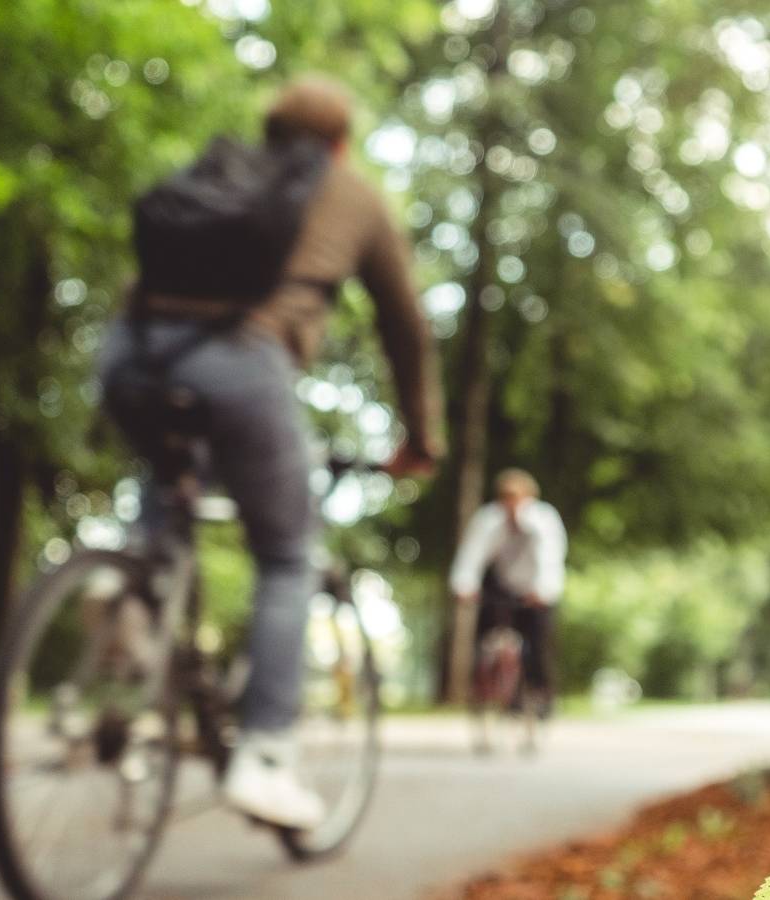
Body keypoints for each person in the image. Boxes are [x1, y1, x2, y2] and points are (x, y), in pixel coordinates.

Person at [98, 75, 441, 829]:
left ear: (272, 130)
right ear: (341, 144)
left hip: (132, 351)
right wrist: (422, 438)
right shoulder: (352, 193)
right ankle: (266, 758)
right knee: (287, 556)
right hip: (241, 362)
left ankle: (130, 589)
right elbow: (405, 325)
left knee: (171, 479)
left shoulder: (223, 169)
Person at [449, 469, 568, 718]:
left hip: (535, 587)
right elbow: (471, 555)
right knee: (485, 632)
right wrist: (464, 586)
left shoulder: (543, 519)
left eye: (516, 497)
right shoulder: (488, 519)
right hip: (501, 584)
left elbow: (550, 558)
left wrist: (543, 590)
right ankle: (483, 686)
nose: (511, 504)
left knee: (538, 641)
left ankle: (540, 691)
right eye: (506, 497)